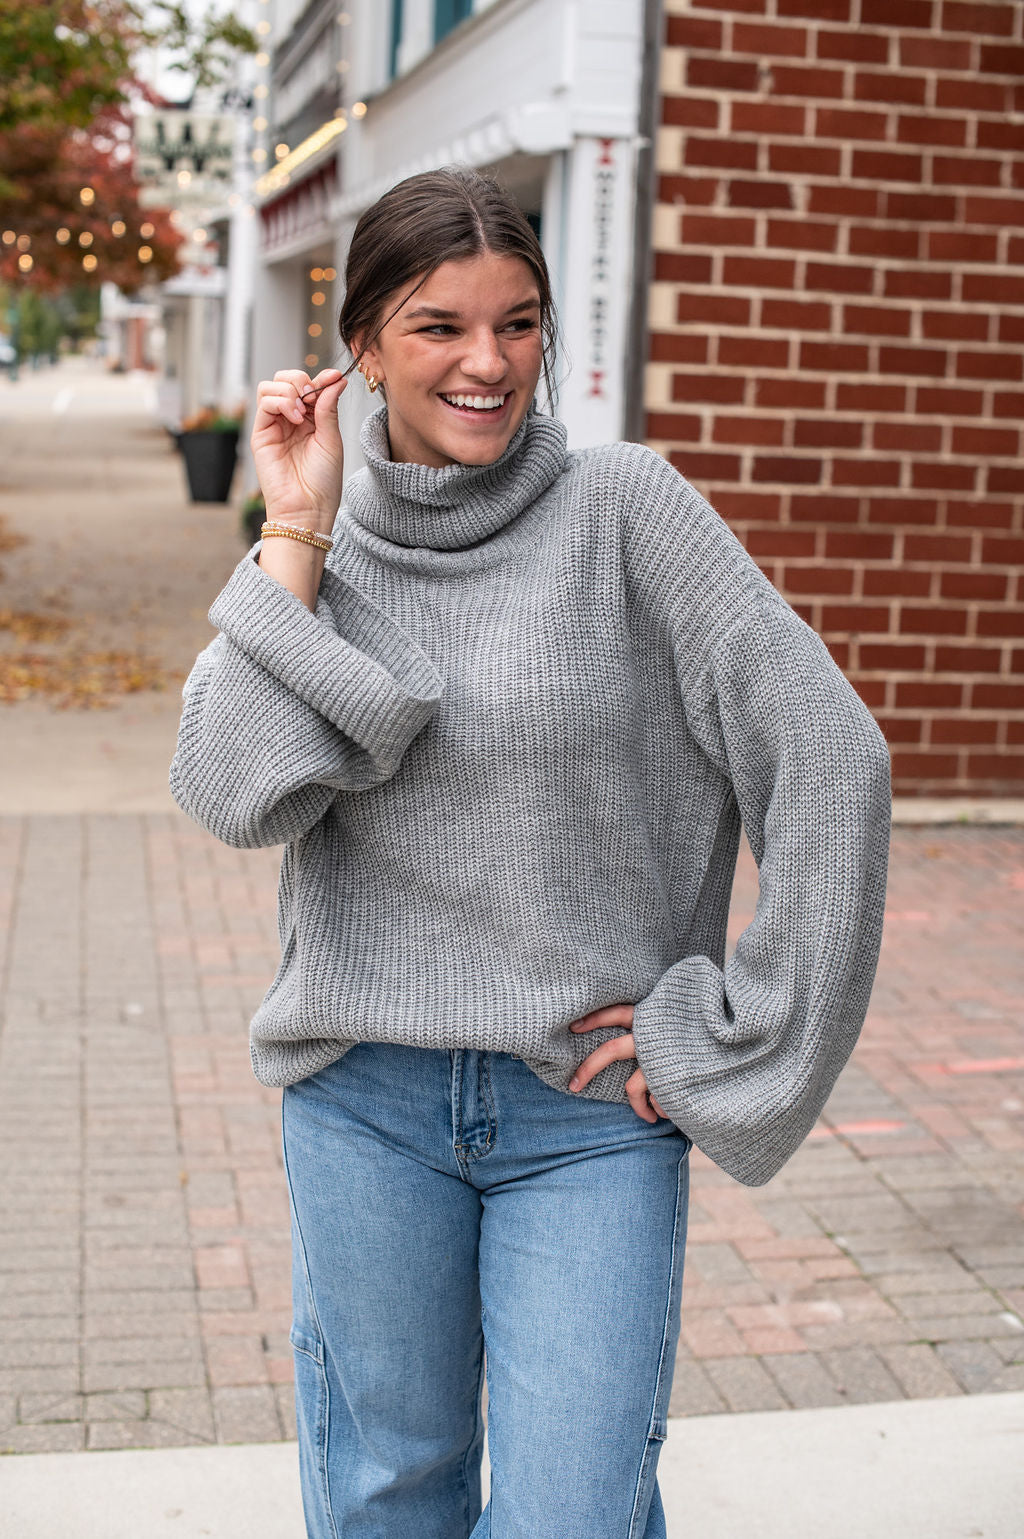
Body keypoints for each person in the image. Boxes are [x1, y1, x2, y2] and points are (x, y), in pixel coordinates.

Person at [170, 165, 892, 1539]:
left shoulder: (630, 511)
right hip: (364, 1102)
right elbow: (230, 791)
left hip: (586, 1120)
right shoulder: (319, 549)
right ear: (362, 342)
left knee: (574, 1513)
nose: (489, 362)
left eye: (520, 322)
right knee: (389, 1493)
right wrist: (297, 530)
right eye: (440, 326)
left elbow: (832, 757)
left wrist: (737, 1033)